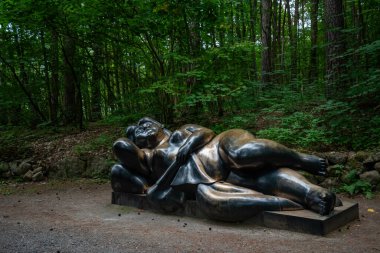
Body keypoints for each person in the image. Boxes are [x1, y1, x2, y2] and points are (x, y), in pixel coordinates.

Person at [111, 117, 337, 221]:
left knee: (243, 154)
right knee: (262, 181)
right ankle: (312, 194)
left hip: (221, 146)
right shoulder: (151, 158)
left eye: (146, 123)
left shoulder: (181, 130)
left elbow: (205, 132)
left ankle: (301, 159)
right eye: (137, 131)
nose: (143, 128)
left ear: (161, 125)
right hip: (215, 177)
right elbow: (122, 151)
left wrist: (188, 145)